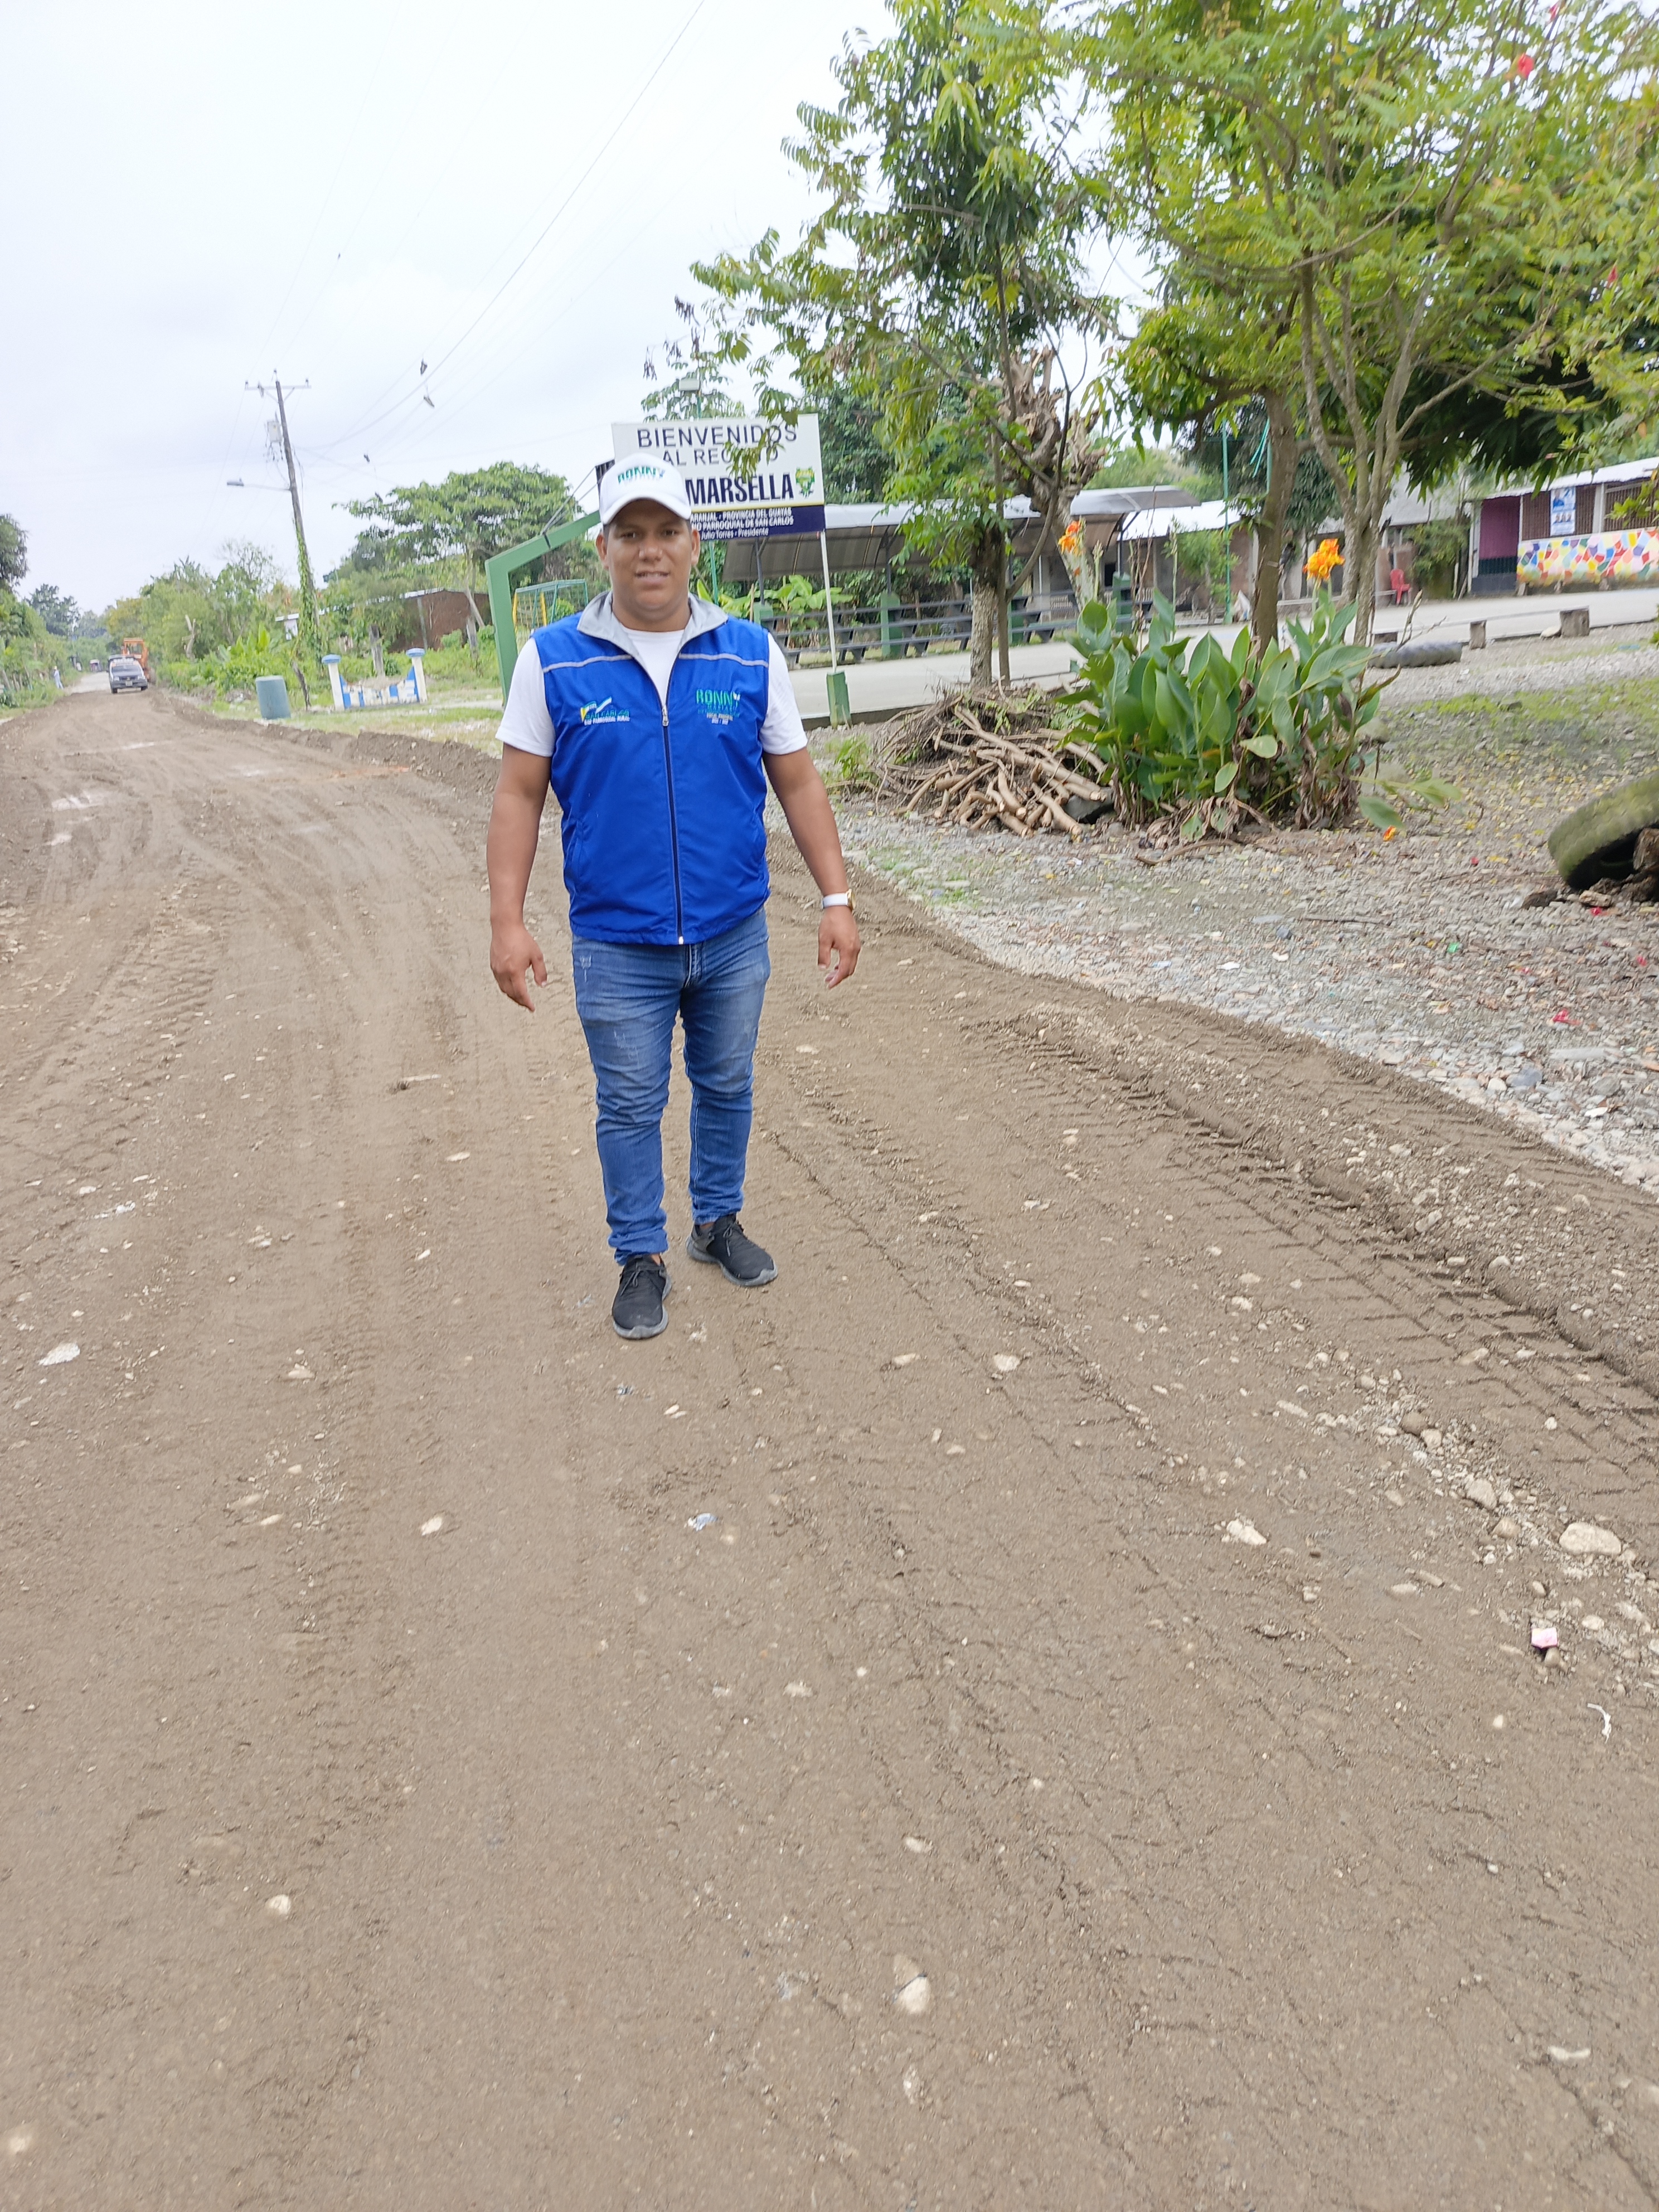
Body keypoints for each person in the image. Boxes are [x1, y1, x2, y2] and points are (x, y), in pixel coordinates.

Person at [486, 453, 861, 1341]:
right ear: (603, 548)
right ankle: (640, 1256)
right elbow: (518, 796)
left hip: (732, 932)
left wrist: (836, 897)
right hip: (617, 942)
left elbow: (798, 781)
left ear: (694, 544)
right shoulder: (553, 661)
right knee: (629, 1104)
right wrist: (507, 922)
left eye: (665, 532)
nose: (648, 551)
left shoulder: (749, 652)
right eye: (630, 534)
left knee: (727, 1082)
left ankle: (716, 1221)